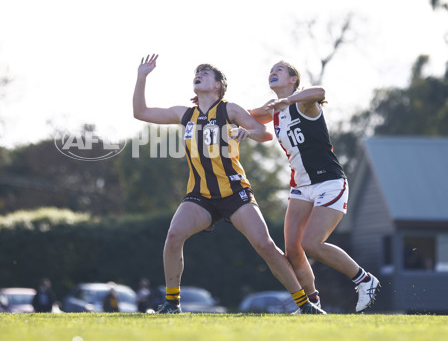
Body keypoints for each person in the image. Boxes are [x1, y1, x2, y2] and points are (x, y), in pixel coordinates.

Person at [132, 54, 325, 314]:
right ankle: (172, 304)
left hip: (235, 191)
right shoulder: (185, 113)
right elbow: (140, 112)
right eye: (196, 72)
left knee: (265, 245)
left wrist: (247, 131)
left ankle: (305, 304)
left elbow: (265, 133)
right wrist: (142, 76)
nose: (198, 74)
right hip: (200, 195)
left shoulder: (229, 109)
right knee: (174, 235)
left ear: (218, 85)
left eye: (205, 72)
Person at [248, 60, 381, 313]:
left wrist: (290, 99)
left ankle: (365, 280)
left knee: (312, 244)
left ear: (293, 80)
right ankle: (312, 304)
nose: (273, 72)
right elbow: (245, 115)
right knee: (293, 250)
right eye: (271, 70)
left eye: (279, 70)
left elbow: (320, 92)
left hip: (329, 182)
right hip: (301, 186)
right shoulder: (276, 109)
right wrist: (215, 110)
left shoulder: (303, 102)